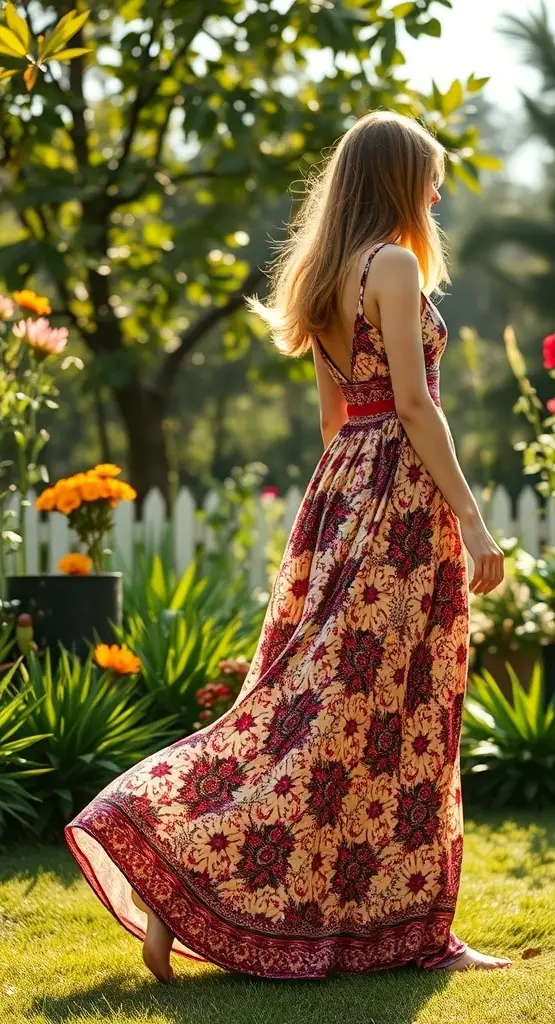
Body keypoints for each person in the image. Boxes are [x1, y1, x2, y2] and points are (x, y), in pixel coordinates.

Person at [64, 110, 511, 983]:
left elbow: (332, 420)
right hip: (400, 507)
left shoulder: (324, 274)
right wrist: (469, 518)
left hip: (342, 497)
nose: (436, 190)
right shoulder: (393, 264)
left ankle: (194, 878)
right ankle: (404, 930)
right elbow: (415, 408)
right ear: (395, 179)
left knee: (308, 713)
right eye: (428, 174)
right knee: (394, 720)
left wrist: (352, 513)